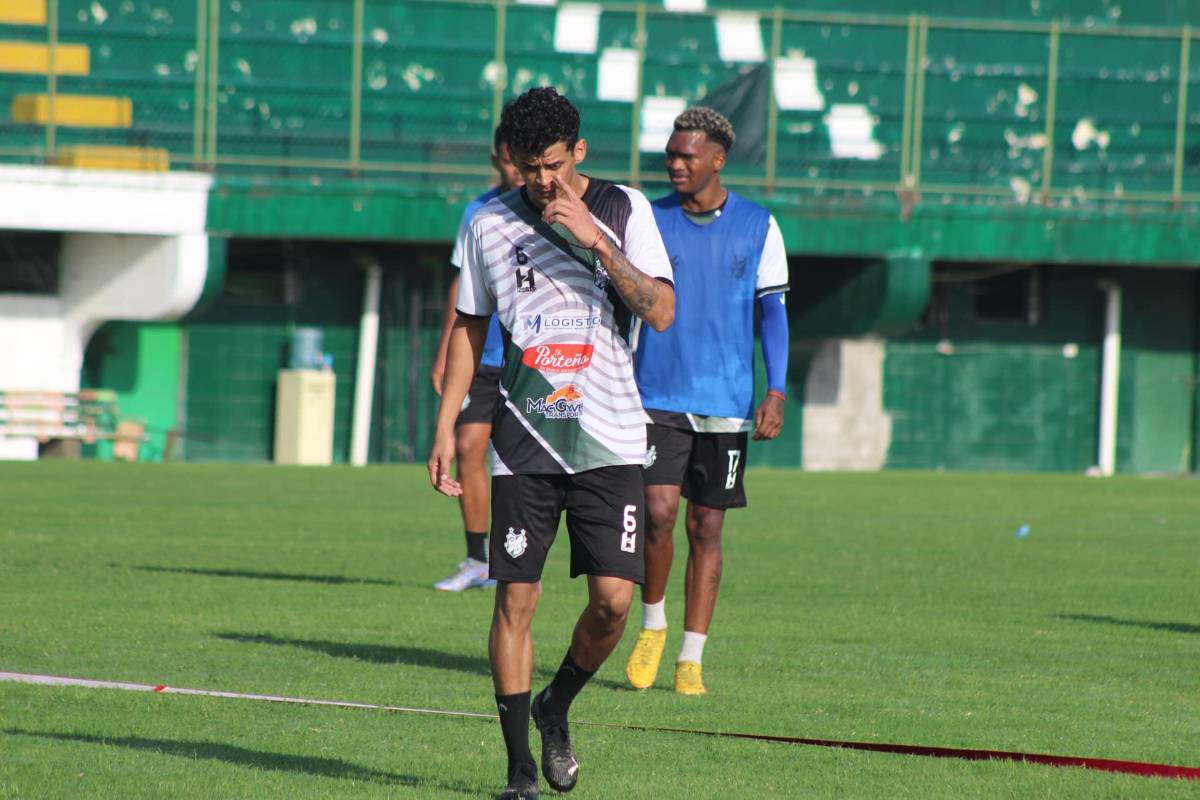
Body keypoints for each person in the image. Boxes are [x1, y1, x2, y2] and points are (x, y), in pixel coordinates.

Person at [427, 87, 674, 799]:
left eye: (556, 166)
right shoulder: (488, 225)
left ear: (580, 153)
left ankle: (555, 705)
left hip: (613, 438)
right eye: (531, 168)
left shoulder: (627, 211)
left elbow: (660, 311)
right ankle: (518, 773)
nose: (543, 182)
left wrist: (595, 239)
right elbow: (470, 328)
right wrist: (446, 427)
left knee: (613, 604)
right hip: (524, 439)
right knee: (515, 602)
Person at [625, 106, 789, 697]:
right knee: (658, 513)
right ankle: (652, 625)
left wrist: (775, 389)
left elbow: (773, 313)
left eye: (686, 155)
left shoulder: (759, 226)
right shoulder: (647, 218)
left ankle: (691, 658)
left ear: (718, 160)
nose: (674, 163)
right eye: (670, 154)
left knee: (707, 526)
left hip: (725, 400)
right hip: (656, 394)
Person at [429, 127, 524, 591]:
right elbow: (461, 286)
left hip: (526, 356)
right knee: (468, 447)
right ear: (496, 159)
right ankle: (476, 558)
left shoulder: (548, 211)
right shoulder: (477, 213)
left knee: (515, 459)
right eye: (508, 160)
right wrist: (445, 351)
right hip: (480, 356)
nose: (515, 169)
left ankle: (516, 558)